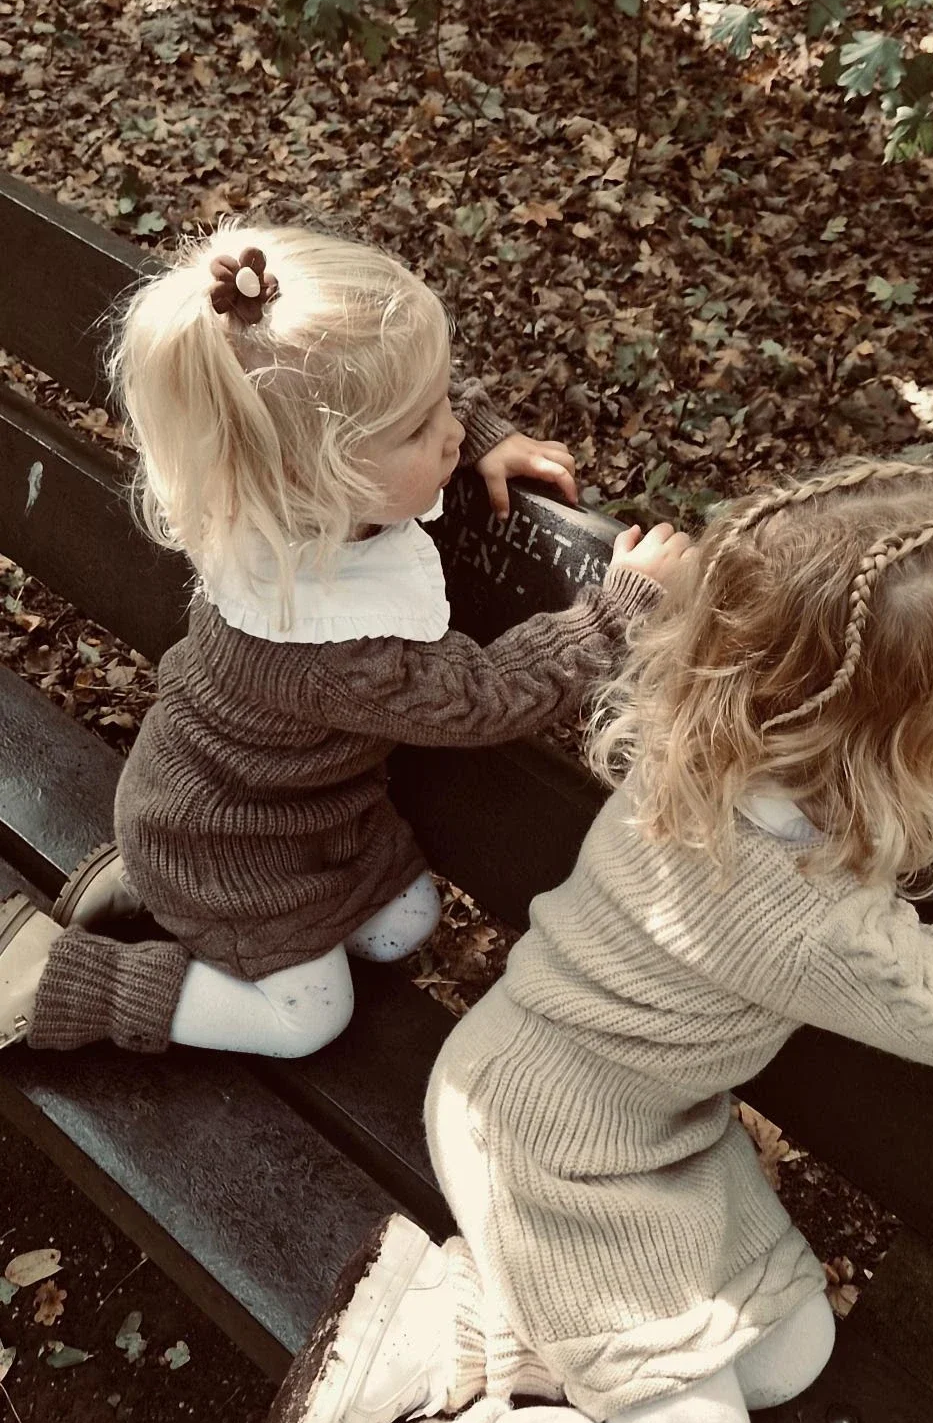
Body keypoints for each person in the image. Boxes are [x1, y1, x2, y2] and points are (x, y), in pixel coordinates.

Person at [210, 455, 933, 1423]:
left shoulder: (736, 695)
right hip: (548, 1150)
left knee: (789, 1352)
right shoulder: (802, 913)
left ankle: (445, 1331)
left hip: (627, 1121)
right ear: (907, 718)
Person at [0, 229, 687, 1060]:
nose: (447, 434)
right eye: (421, 428)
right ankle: (63, 978)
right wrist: (618, 611)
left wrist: (476, 432)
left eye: (442, 409)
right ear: (321, 473)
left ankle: (146, 876)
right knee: (308, 1020)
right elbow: (486, 696)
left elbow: (368, 400)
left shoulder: (276, 492)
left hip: (275, 814)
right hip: (232, 850)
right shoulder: (331, 645)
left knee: (406, 923)